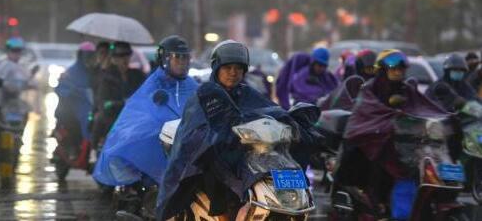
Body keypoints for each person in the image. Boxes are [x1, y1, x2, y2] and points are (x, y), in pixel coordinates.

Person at [156, 40, 320, 220]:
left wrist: (291, 123)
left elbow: (271, 112)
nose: (233, 73)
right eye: (227, 67)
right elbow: (195, 133)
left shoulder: (248, 93)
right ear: (216, 68)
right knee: (215, 165)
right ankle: (222, 212)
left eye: (238, 68)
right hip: (211, 160)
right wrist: (220, 136)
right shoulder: (206, 95)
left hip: (246, 157)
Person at [337, 49, 447, 212]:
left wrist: (445, 117)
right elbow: (365, 115)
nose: (398, 72)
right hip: (375, 144)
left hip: (407, 147)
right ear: (383, 70)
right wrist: (389, 119)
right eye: (393, 68)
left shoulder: (406, 89)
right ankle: (377, 204)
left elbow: (424, 107)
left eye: (401, 69)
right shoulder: (370, 90)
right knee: (381, 159)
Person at [93, 35, 198, 189]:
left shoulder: (190, 84)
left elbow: (198, 103)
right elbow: (144, 107)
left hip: (181, 133)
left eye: (185, 58)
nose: (182, 63)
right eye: (177, 58)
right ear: (165, 59)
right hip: (151, 128)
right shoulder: (154, 82)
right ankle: (139, 188)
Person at [91, 42, 146, 150]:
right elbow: (103, 104)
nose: (124, 59)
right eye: (120, 56)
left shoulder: (137, 76)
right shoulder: (106, 78)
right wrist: (121, 103)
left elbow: (147, 94)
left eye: (127, 55)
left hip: (134, 122)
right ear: (114, 59)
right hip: (113, 122)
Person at [53, 42, 97, 172]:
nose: (89, 58)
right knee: (72, 125)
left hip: (92, 107)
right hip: (73, 109)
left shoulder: (95, 72)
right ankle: (72, 147)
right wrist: (71, 92)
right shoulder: (70, 72)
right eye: (87, 55)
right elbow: (60, 88)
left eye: (92, 55)